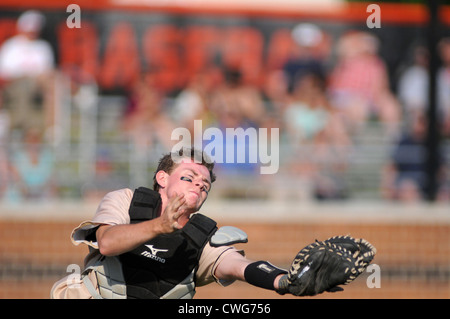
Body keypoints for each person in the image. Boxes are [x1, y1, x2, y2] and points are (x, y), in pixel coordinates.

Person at [51, 147, 292, 299]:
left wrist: (286, 280)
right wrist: (159, 226)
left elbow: (240, 266)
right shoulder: (126, 200)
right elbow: (107, 243)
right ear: (162, 178)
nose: (199, 184)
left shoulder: (202, 238)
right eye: (189, 177)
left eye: (205, 185)